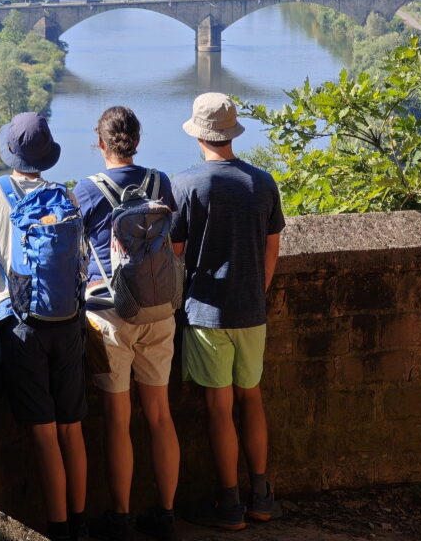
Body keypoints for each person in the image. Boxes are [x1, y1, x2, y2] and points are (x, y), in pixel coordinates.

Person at [0, 112, 88, 541]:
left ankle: (59, 529)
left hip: (21, 326)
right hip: (68, 320)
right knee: (72, 428)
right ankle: (80, 521)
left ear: (10, 153)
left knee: (44, 433)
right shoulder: (66, 195)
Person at [170, 92, 285, 532]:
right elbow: (272, 248)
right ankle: (261, 495)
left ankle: (230, 504)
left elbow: (176, 251)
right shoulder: (262, 182)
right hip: (251, 309)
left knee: (219, 407)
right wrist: (258, 290)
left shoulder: (185, 184)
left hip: (205, 312)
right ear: (232, 133)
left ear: (199, 135)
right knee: (251, 398)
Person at [74, 106, 181, 541]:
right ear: (137, 141)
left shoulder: (85, 189)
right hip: (159, 310)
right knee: (160, 416)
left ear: (100, 143)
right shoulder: (160, 182)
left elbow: (72, 252)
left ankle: (119, 518)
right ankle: (166, 514)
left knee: (117, 420)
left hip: (109, 315)